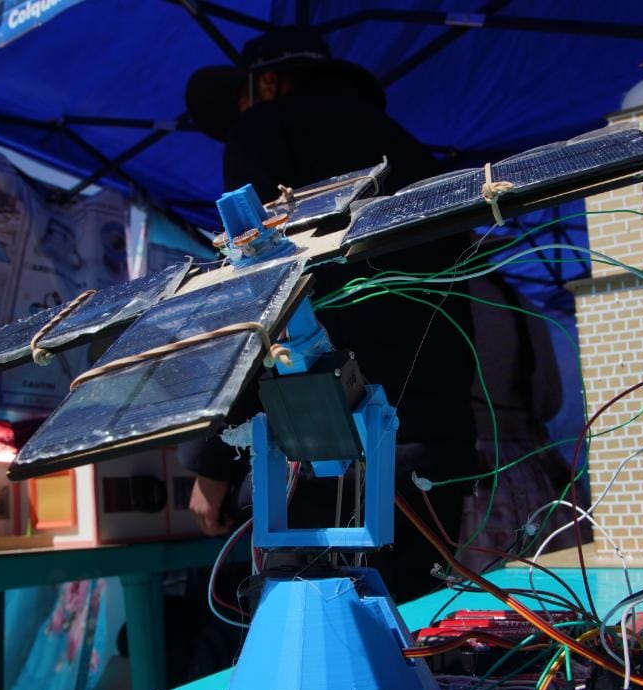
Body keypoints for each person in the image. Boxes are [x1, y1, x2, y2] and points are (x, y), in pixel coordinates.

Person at [178, 28, 479, 606]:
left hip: (323, 441)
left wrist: (213, 458)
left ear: (267, 83)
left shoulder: (264, 127)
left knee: (314, 641)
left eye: (241, 98)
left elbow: (258, 286)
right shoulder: (407, 150)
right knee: (416, 631)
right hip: (434, 446)